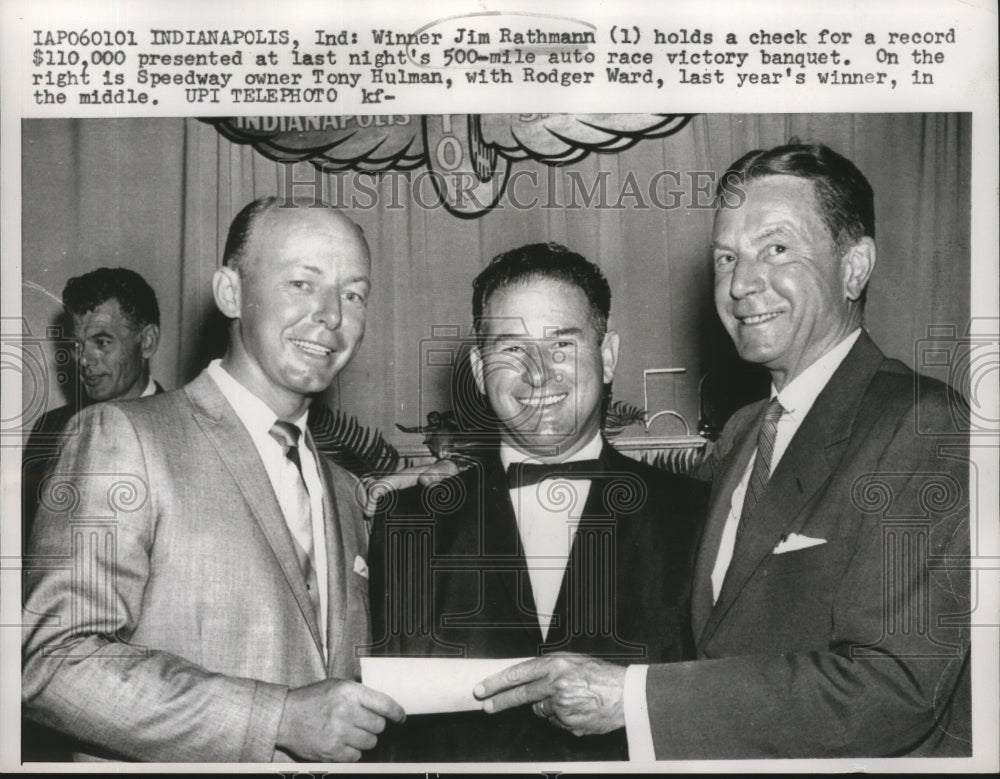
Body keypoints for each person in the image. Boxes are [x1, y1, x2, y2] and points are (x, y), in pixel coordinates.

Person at [474, 144, 971, 759]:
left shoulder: (922, 424)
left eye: (777, 248)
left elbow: (898, 688)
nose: (740, 284)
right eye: (727, 258)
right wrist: (474, 486)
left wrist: (633, 697)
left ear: (854, 266)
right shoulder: (743, 434)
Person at [22, 196, 405, 762]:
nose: (331, 315)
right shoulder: (121, 435)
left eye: (353, 294)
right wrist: (276, 716)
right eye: (303, 283)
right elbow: (51, 661)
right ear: (231, 293)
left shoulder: (346, 491)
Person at [367, 243, 708, 761]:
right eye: (511, 349)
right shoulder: (405, 523)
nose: (539, 374)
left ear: (608, 355)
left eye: (561, 345)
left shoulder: (698, 516)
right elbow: (389, 741)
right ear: (481, 373)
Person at [22, 267, 164, 536]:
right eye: (77, 346)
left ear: (147, 342)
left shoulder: (185, 433)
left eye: (101, 342)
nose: (84, 360)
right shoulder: (50, 429)